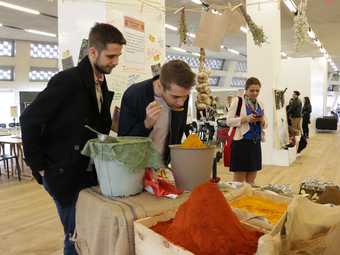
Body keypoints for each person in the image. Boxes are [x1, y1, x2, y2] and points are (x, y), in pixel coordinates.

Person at [20, 23, 126, 255]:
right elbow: (29, 119)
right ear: (93, 52)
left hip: (86, 173)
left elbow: (91, 125)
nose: (115, 62)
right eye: (111, 56)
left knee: (86, 233)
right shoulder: (67, 80)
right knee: (76, 237)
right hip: (64, 175)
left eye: (118, 56)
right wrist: (39, 167)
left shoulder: (100, 80)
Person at [118, 60, 196, 165]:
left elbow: (177, 135)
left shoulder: (181, 95)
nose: (181, 103)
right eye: (175, 97)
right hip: (134, 167)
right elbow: (123, 143)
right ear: (160, 85)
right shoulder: (134, 94)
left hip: (162, 167)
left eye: (185, 96)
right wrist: (146, 125)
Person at [226, 77, 266, 184]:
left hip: (255, 143)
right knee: (238, 181)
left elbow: (264, 124)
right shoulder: (238, 101)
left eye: (257, 90)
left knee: (251, 180)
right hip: (241, 143)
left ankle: (249, 199)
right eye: (252, 90)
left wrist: (262, 120)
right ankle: (236, 199)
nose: (255, 93)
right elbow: (229, 121)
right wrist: (246, 119)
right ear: (246, 90)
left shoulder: (260, 103)